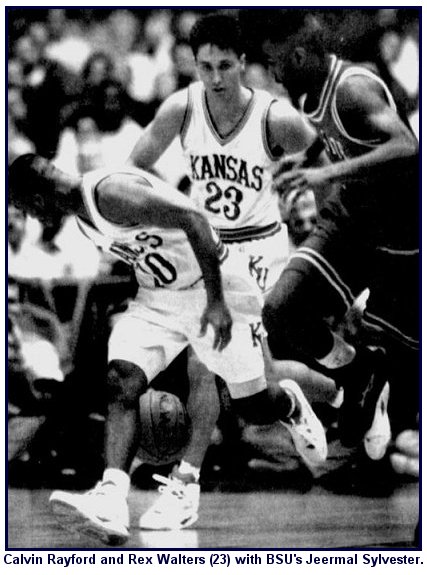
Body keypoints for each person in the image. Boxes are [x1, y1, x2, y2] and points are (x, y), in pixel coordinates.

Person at [9, 154, 327, 545]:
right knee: (121, 377)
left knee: (253, 404)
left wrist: (216, 301)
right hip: (159, 298)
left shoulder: (111, 193)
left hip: (212, 288)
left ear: (37, 198)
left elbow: (194, 219)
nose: (32, 219)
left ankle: (290, 405)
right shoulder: (83, 215)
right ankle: (112, 498)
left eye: (26, 209)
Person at [128, 12, 330, 529]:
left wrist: (321, 216)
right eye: (205, 67)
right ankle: (340, 395)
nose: (215, 78)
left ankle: (185, 484)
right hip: (208, 248)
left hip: (261, 251)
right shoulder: (182, 107)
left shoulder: (274, 117)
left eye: (224, 65)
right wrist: (174, 207)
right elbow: (136, 165)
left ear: (243, 62)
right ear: (193, 66)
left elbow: (328, 156)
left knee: (205, 363)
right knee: (259, 384)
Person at [261, 10, 419, 461]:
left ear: (297, 56)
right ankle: (358, 371)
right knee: (281, 310)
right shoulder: (308, 90)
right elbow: (335, 134)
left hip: (399, 230)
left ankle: (381, 399)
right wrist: (308, 156)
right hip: (351, 216)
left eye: (275, 63)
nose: (273, 74)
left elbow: (407, 145)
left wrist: (325, 172)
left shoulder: (351, 88)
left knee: (403, 356)